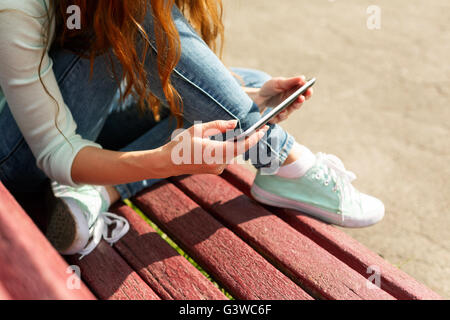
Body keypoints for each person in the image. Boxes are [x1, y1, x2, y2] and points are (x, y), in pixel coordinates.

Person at [0, 0, 384, 258]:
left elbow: (157, 77)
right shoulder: (16, 8)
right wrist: (160, 161)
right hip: (16, 154)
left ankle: (100, 191)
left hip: (80, 121)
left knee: (249, 83)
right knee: (131, 18)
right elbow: (55, 150)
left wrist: (248, 95)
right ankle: (286, 161)